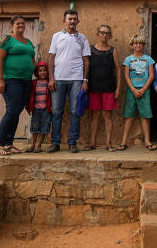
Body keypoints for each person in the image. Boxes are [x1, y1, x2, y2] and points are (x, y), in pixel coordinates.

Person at [47, 9, 91, 153]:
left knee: (74, 111)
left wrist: (85, 80)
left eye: (74, 19)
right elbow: (51, 58)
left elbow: (86, 61)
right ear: (64, 21)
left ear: (78, 21)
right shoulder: (56, 36)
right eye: (69, 19)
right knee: (56, 111)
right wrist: (51, 77)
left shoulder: (83, 38)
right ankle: (55, 143)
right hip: (58, 79)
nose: (72, 21)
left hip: (77, 79)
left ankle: (72, 143)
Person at [0, 15, 35, 155]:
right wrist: (0, 79)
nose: (21, 25)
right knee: (12, 110)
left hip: (26, 81)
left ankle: (8, 144)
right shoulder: (7, 40)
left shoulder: (28, 42)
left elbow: (32, 60)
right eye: (18, 23)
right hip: (12, 80)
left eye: (23, 23)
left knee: (16, 111)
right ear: (12, 25)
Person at [85, 24, 121, 151]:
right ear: (98, 34)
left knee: (108, 116)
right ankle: (92, 142)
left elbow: (118, 69)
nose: (104, 35)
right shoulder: (90, 50)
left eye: (107, 33)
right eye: (102, 32)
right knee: (94, 116)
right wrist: (85, 82)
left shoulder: (113, 51)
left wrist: (118, 88)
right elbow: (86, 67)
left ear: (110, 36)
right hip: (93, 88)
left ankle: (108, 143)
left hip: (109, 88)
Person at [117, 34, 155, 150]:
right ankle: (124, 141)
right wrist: (133, 90)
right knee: (129, 116)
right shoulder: (128, 60)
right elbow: (126, 76)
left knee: (145, 116)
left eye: (140, 43)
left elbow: (151, 76)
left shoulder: (148, 59)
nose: (138, 45)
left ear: (143, 45)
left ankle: (147, 141)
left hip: (144, 90)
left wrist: (143, 89)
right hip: (131, 91)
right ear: (132, 45)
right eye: (136, 43)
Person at [24, 61, 51, 153]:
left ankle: (38, 145)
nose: (42, 72)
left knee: (44, 127)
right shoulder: (34, 83)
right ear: (37, 72)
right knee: (34, 127)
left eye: (44, 70)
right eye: (40, 71)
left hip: (46, 110)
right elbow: (30, 96)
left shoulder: (49, 83)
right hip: (36, 109)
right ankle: (32, 145)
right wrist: (28, 107)